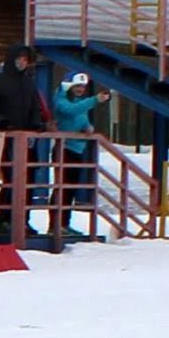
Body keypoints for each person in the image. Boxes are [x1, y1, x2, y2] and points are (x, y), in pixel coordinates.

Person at [0, 44, 53, 235]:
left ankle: (23, 220)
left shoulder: (28, 82)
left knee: (29, 179)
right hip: (7, 137)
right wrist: (1, 121)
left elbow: (36, 107)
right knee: (11, 178)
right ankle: (2, 219)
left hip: (27, 139)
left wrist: (36, 124)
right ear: (11, 59)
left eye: (25, 59)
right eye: (19, 58)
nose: (22, 62)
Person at [49, 72, 110, 235]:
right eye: (77, 86)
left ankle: (64, 223)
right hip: (64, 149)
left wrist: (87, 127)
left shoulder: (79, 103)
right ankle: (55, 224)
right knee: (62, 188)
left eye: (83, 87)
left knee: (70, 190)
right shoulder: (61, 99)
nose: (80, 89)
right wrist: (94, 100)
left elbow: (79, 118)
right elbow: (70, 111)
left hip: (76, 149)